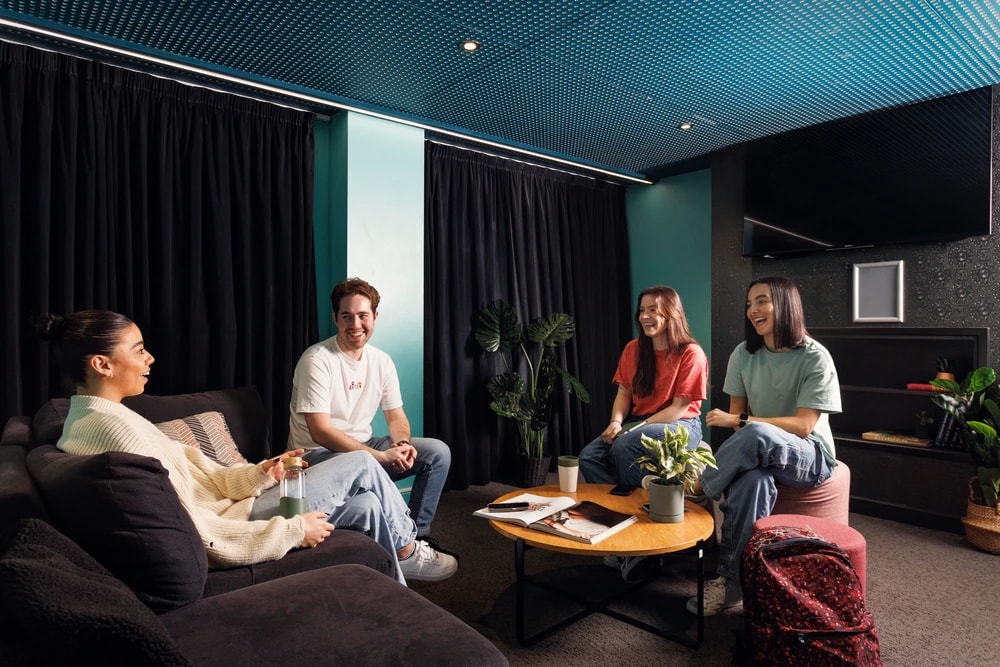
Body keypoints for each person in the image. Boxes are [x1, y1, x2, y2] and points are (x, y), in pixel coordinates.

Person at [39, 309, 457, 584]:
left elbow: (202, 477)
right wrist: (291, 529)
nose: (149, 359)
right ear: (101, 364)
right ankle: (407, 548)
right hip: (244, 520)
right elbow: (195, 530)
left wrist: (261, 470)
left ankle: (395, 594)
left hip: (244, 501)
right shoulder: (112, 432)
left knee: (367, 505)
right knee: (362, 467)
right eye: (138, 350)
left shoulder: (107, 418)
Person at [690, 276, 841, 616]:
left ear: (785, 305)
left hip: (810, 455)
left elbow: (803, 426)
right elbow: (738, 420)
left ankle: (697, 486)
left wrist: (744, 423)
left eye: (761, 302)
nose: (752, 311)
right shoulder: (743, 354)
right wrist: (743, 423)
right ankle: (732, 584)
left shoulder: (816, 358)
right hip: (760, 452)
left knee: (756, 433)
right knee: (751, 481)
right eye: (749, 304)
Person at [288, 277, 452, 544]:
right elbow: (319, 431)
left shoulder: (381, 361)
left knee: (437, 453)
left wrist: (401, 445)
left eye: (363, 316)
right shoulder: (316, 360)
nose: (355, 325)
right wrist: (379, 457)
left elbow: (396, 415)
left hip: (363, 446)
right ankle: (405, 546)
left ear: (375, 316)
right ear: (335, 319)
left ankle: (419, 536)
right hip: (316, 457)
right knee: (366, 465)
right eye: (347, 316)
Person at [579, 285, 709, 488]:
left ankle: (636, 502)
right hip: (637, 421)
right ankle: (622, 499)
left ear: (671, 313)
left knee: (623, 445)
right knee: (589, 457)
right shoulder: (633, 349)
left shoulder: (691, 354)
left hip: (680, 424)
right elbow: (624, 393)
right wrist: (616, 422)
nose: (644, 316)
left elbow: (678, 408)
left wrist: (634, 429)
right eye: (642, 310)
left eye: (652, 310)